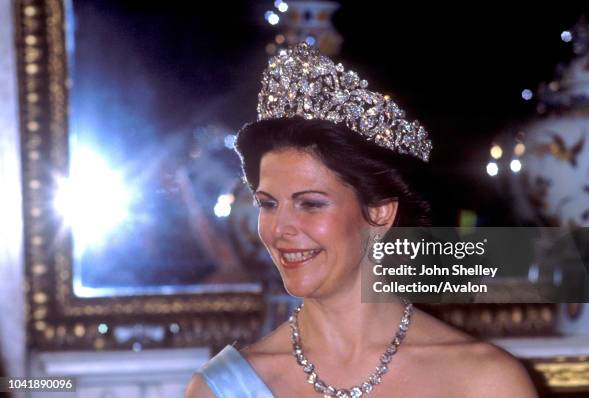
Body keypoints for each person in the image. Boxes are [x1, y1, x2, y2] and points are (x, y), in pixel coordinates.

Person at [185, 43, 537, 398]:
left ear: (380, 212)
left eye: (310, 204)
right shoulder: (222, 389)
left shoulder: (484, 382)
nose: (280, 229)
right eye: (269, 204)